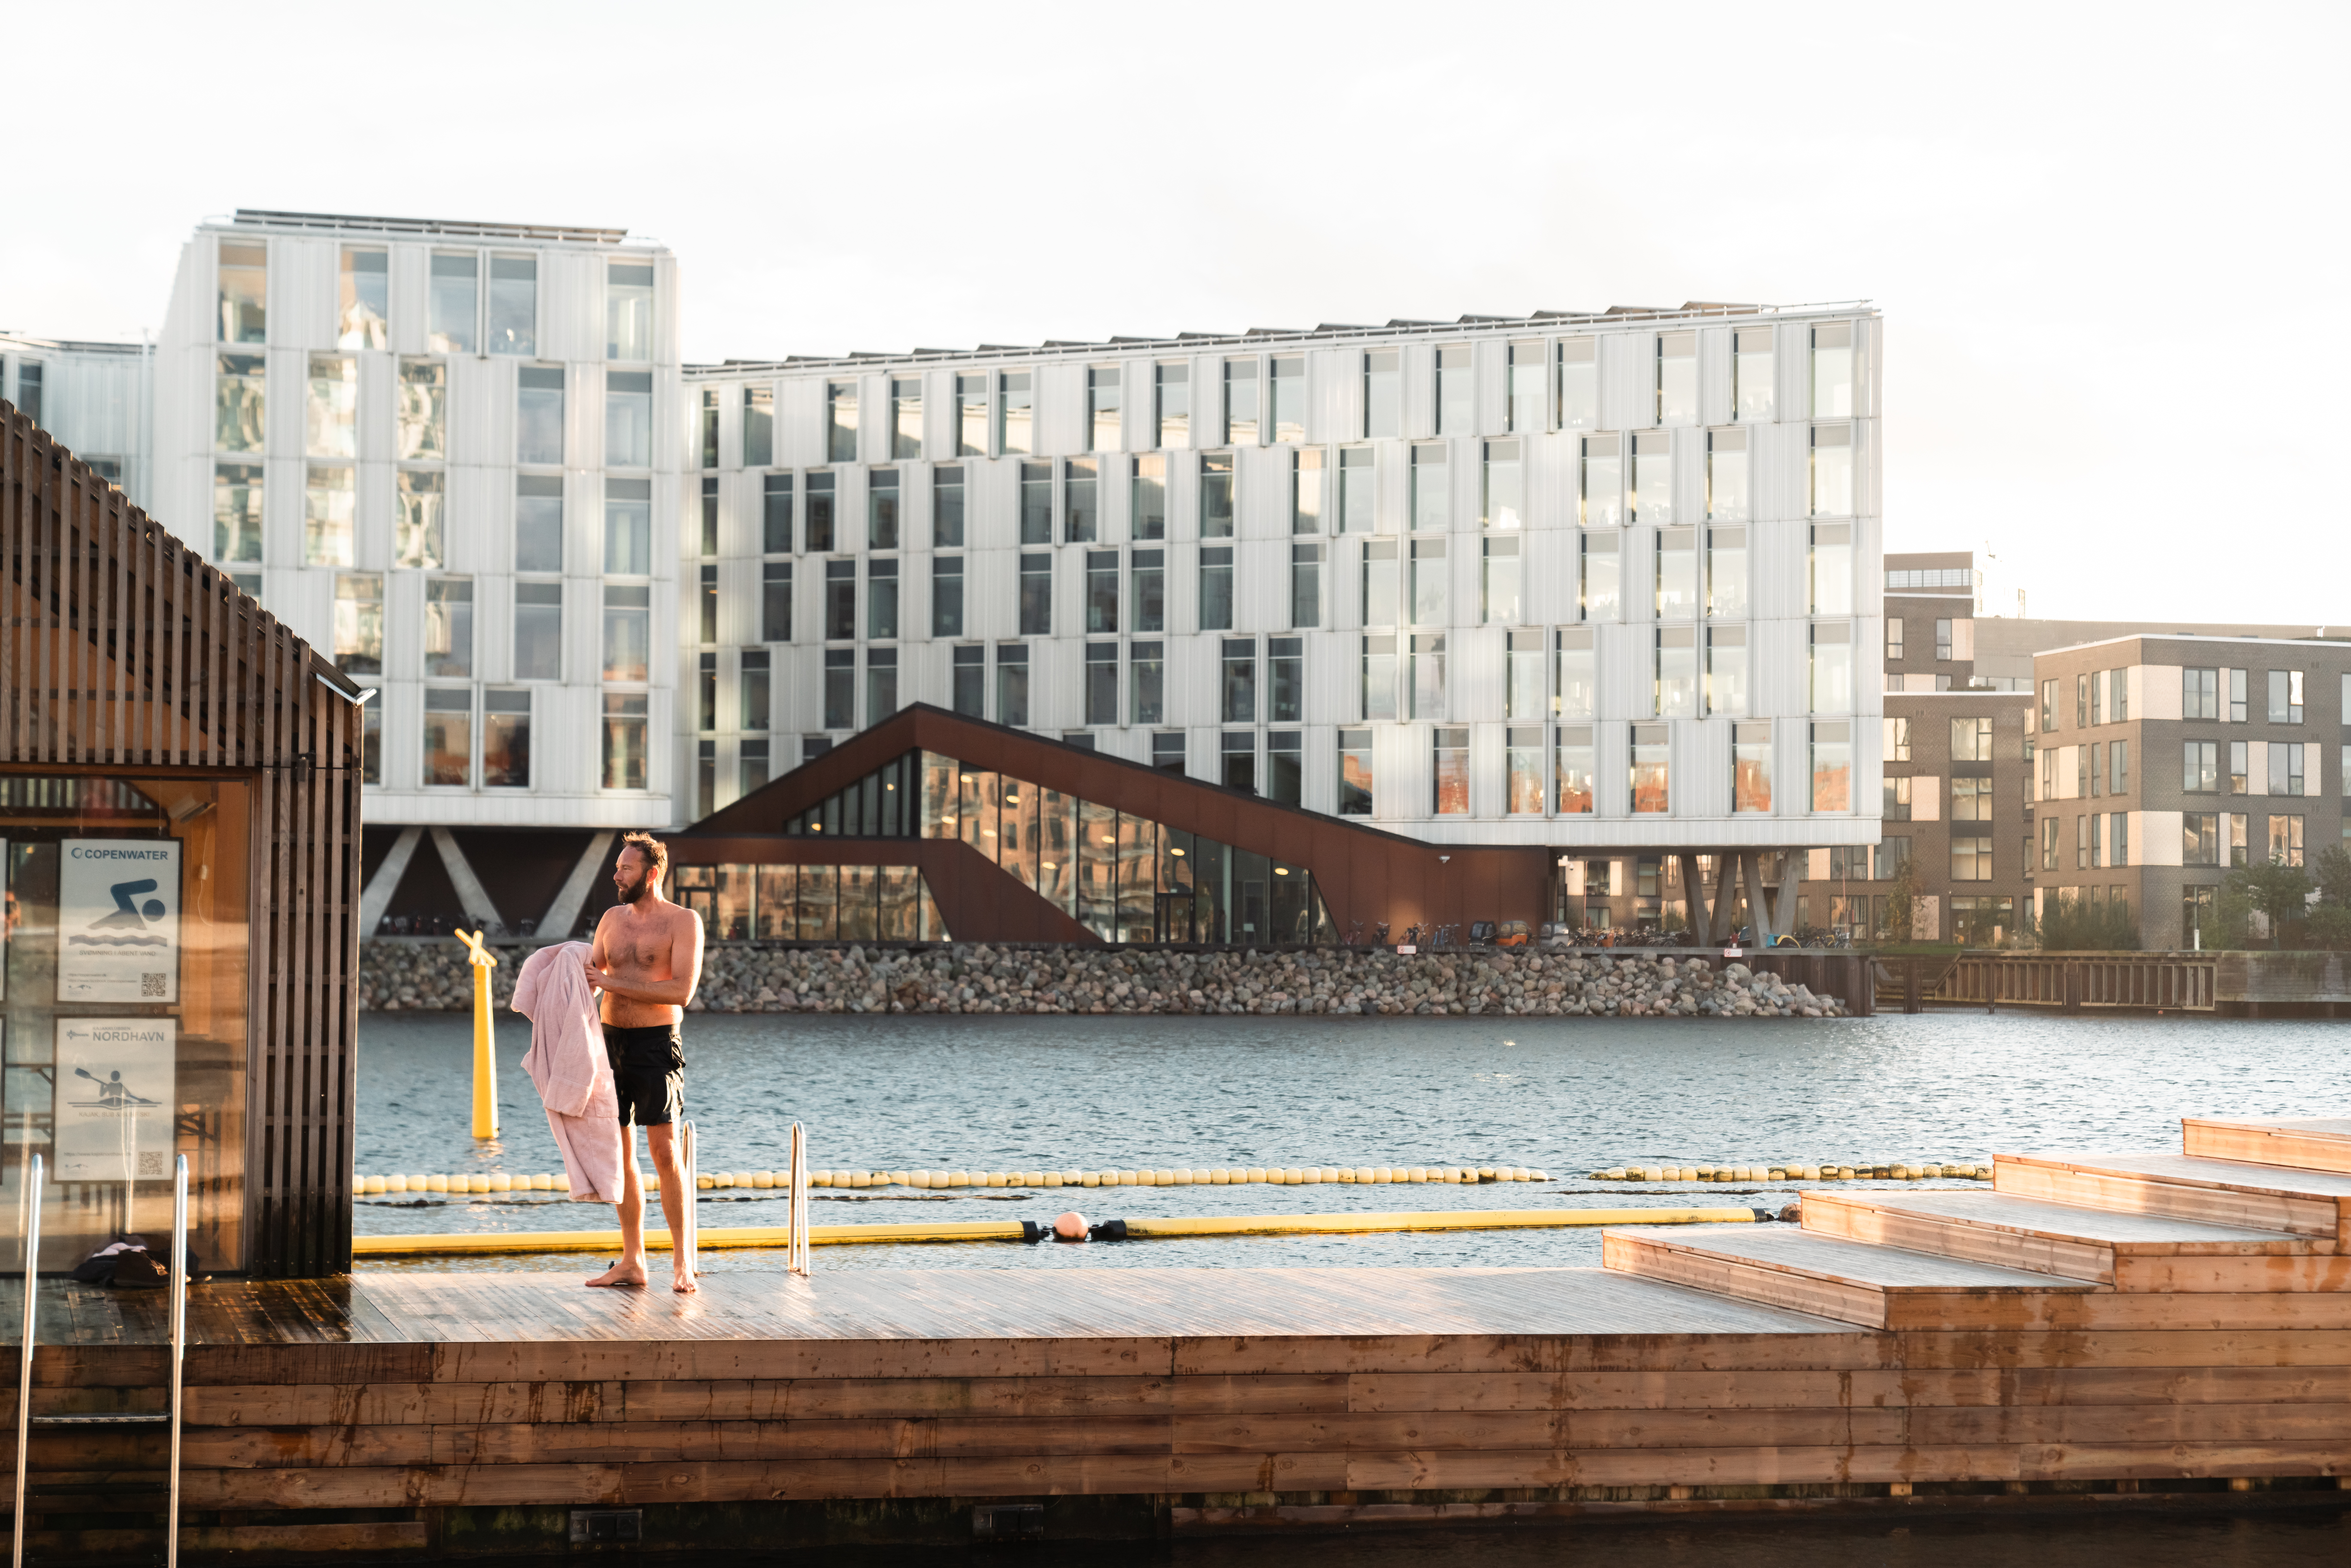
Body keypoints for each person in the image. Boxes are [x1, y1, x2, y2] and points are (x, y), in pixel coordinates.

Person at [582, 832, 706, 1293]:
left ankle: (682, 1264)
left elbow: (680, 992)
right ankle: (633, 1261)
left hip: (656, 1044)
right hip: (610, 1043)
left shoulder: (683, 921)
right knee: (619, 1155)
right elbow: (590, 979)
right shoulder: (612, 919)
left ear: (651, 874)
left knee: (665, 1153)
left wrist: (609, 985)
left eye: (626, 869)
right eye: (617, 867)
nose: (616, 875)